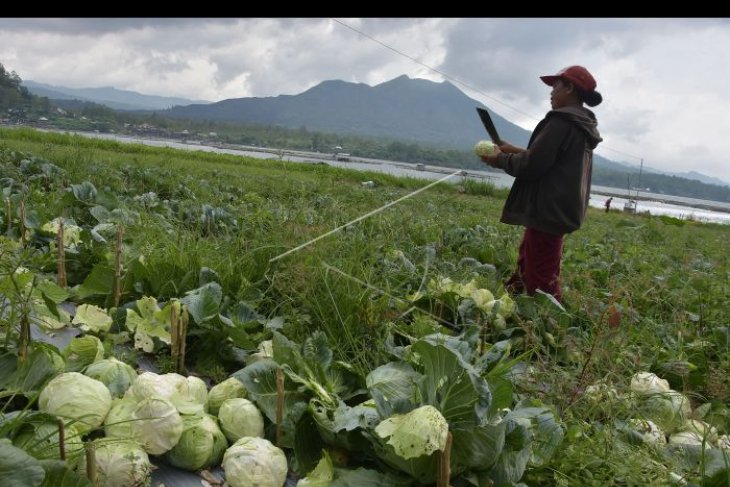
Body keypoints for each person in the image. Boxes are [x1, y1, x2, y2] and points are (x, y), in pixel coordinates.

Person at [480, 65, 603, 303]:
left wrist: (499, 160)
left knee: (541, 276)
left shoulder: (562, 122)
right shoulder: (579, 125)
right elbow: (548, 158)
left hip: (548, 207)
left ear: (569, 88)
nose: (551, 92)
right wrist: (511, 149)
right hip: (558, 207)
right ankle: (513, 297)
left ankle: (547, 324)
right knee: (530, 256)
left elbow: (533, 164)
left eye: (555, 85)